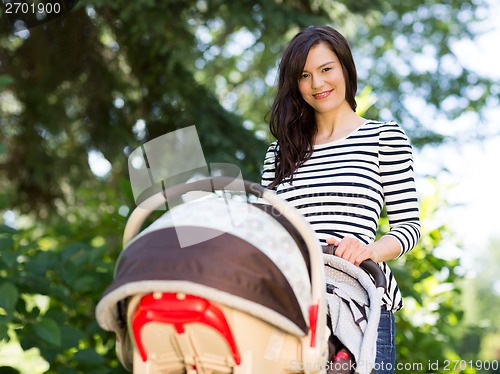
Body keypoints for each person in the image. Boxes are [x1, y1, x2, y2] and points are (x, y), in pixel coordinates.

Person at [260, 25, 420, 374]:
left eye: (326, 69)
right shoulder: (279, 154)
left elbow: (409, 227)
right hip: (289, 306)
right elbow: (267, 233)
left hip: (360, 302)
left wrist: (370, 251)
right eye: (305, 75)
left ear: (346, 68)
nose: (317, 84)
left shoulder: (384, 137)